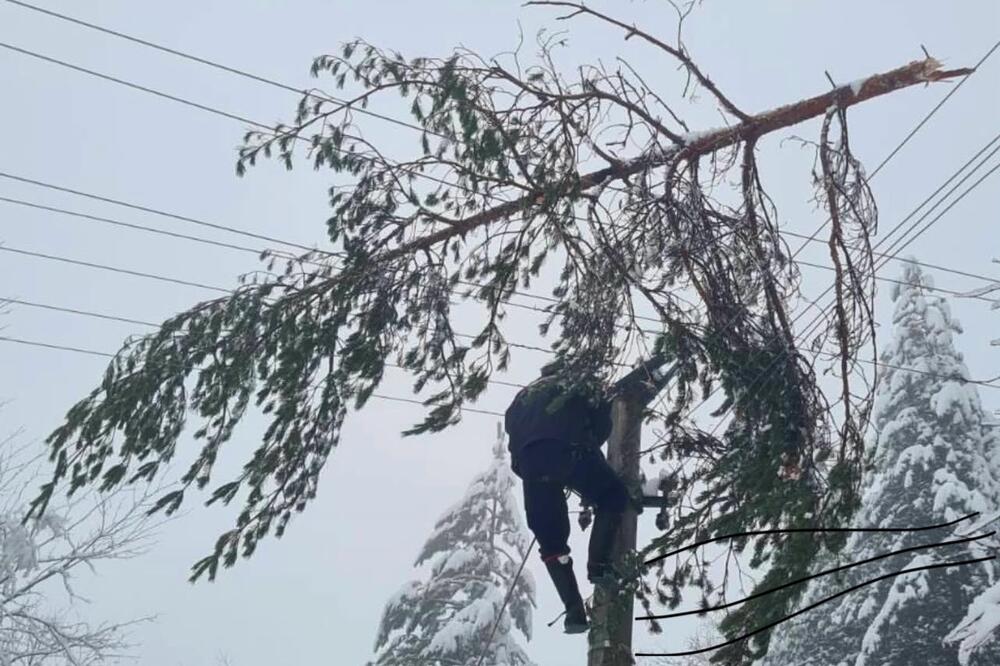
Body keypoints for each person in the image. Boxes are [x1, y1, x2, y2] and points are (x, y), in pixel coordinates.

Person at [504, 360, 630, 634]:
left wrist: (532, 469)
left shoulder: (521, 398)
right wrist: (589, 451)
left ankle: (574, 612)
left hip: (531, 469)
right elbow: (600, 424)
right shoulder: (579, 384)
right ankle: (598, 566)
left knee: (552, 543)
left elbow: (512, 440)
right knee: (612, 496)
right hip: (570, 454)